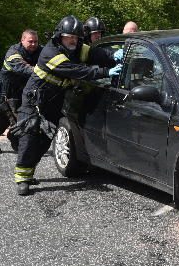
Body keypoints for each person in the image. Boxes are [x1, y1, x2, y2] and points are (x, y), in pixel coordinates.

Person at [12, 15, 123, 196]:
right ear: (59, 36)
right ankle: (22, 178)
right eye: (69, 36)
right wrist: (104, 71)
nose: (73, 40)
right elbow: (75, 70)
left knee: (45, 139)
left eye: (76, 37)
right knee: (30, 136)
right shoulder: (50, 52)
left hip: (55, 100)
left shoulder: (77, 47)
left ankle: (28, 170)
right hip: (35, 100)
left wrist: (112, 57)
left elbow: (95, 54)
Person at [0, 30, 41, 154]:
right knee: (0, 121)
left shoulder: (41, 51)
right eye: (30, 41)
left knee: (25, 118)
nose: (33, 44)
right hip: (6, 91)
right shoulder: (13, 52)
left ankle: (16, 139)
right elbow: (22, 68)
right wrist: (43, 70)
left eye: (35, 41)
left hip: (25, 90)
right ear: (22, 41)